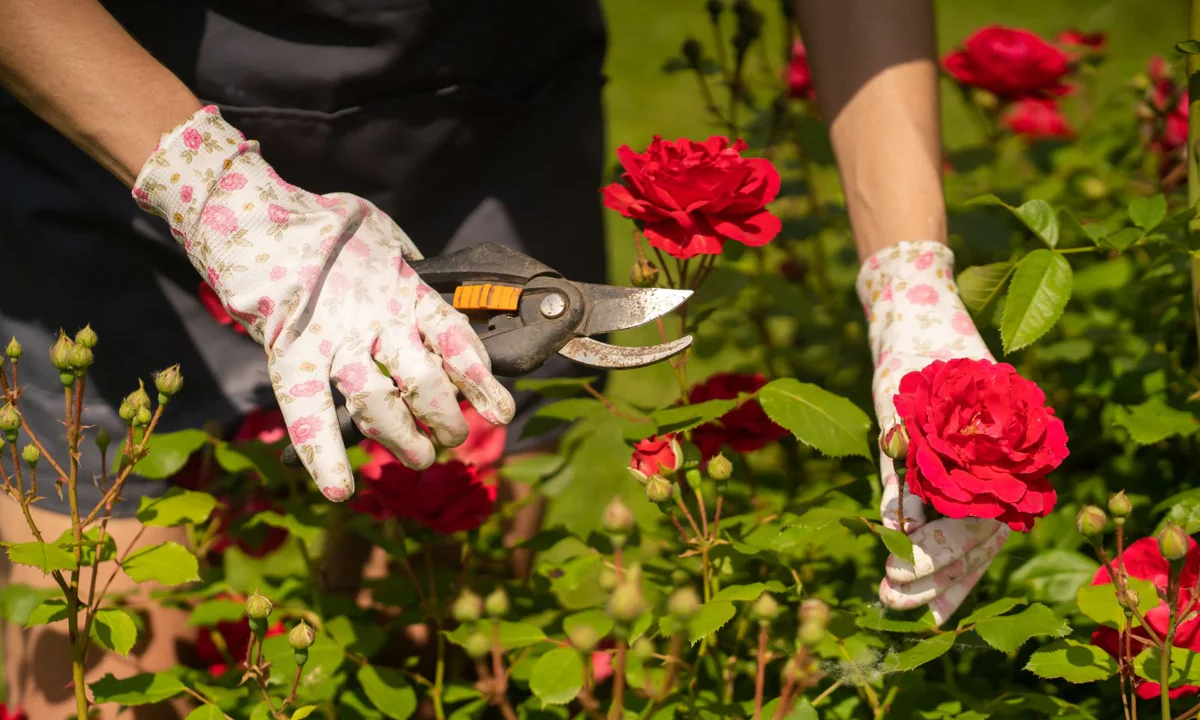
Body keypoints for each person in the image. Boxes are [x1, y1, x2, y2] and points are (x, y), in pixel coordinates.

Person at [0, 0, 1001, 715]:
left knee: (434, 644)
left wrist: (910, 283)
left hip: (479, 107)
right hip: (111, 107)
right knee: (102, 663)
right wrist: (214, 189)